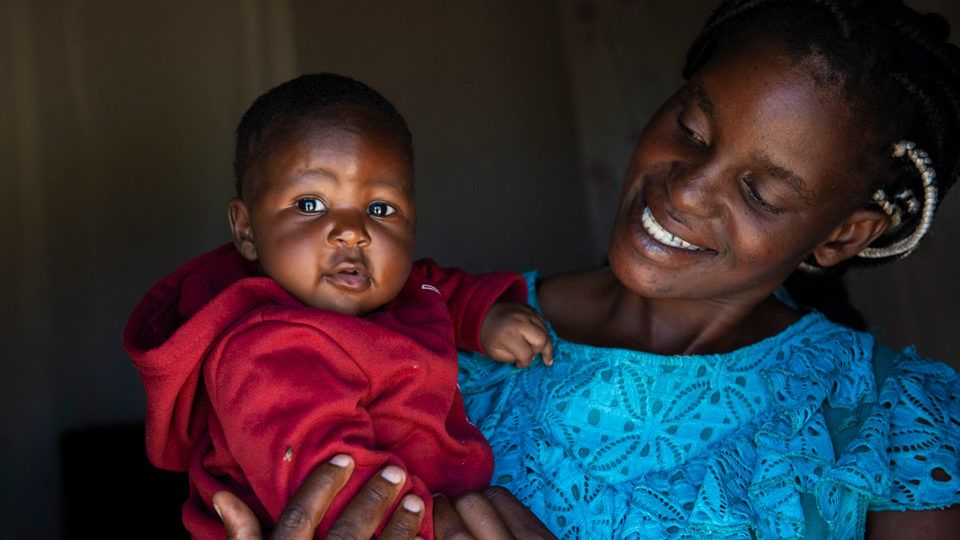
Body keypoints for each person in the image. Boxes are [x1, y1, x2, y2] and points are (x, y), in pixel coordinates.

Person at [216, 0, 960, 537]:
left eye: (761, 192)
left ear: (841, 235)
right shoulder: (427, 335)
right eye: (692, 128)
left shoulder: (893, 420)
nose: (686, 187)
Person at [123, 73, 553, 539]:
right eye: (310, 203)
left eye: (381, 209)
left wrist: (480, 315)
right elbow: (326, 476)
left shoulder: (397, 292)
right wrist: (433, 527)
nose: (353, 231)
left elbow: (431, 286)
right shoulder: (264, 350)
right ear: (246, 229)